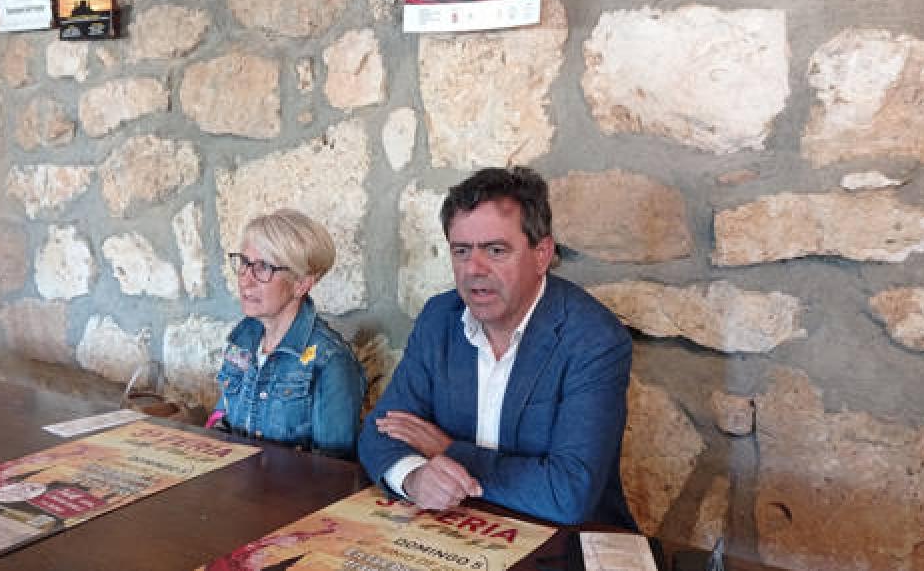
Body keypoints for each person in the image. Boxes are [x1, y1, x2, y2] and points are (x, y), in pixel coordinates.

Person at [358, 166, 637, 528]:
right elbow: (381, 431)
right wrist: (414, 477)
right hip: (452, 535)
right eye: (461, 251)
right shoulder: (439, 318)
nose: (474, 269)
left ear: (542, 254)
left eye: (495, 250)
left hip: (565, 544)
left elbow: (569, 494)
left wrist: (446, 451)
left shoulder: (593, 339)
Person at [213, 209, 366, 459]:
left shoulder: (330, 361)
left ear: (302, 283)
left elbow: (334, 471)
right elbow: (222, 421)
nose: (245, 280)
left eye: (263, 267)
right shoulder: (242, 340)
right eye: (244, 263)